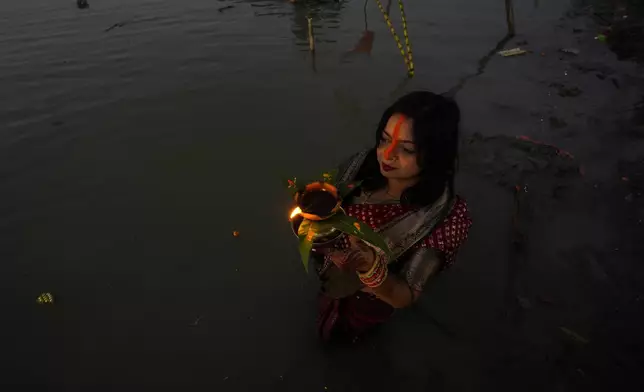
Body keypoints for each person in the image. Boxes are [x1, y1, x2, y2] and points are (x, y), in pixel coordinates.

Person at [313, 91, 472, 343]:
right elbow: (326, 206)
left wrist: (370, 268)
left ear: (435, 156)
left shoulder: (444, 217)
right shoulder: (361, 165)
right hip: (330, 271)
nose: (386, 155)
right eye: (385, 140)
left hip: (370, 298)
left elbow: (405, 295)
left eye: (406, 149)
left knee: (343, 339)